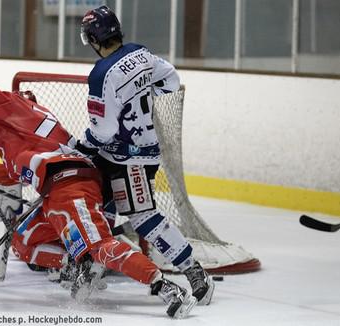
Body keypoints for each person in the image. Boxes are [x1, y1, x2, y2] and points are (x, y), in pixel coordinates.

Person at [0, 84, 197, 318]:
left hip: (71, 187)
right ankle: (76, 264)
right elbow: (18, 171)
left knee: (100, 246)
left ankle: (164, 287)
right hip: (57, 192)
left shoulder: (16, 108)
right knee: (24, 241)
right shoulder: (28, 134)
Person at [77, 5, 214, 305]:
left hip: (131, 159)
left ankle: (193, 270)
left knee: (142, 216)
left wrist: (80, 145)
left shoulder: (101, 74)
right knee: (95, 201)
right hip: (133, 151)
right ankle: (95, 264)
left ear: (94, 38)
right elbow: (171, 80)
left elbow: (103, 131)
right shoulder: (140, 52)